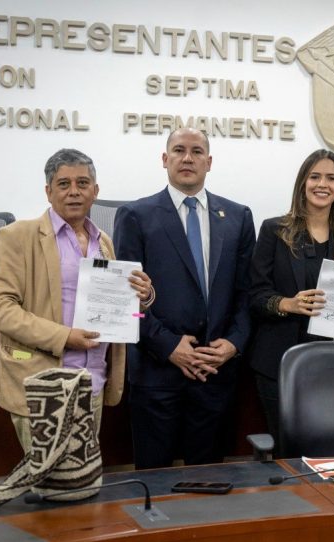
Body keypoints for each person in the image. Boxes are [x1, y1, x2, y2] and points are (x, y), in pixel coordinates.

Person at [0, 148, 153, 452]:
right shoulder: (17, 236)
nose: (74, 192)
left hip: (93, 383)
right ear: (48, 192)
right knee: (53, 488)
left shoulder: (103, 242)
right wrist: (64, 337)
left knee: (81, 485)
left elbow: (120, 310)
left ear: (95, 191)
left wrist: (141, 298)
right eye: (64, 184)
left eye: (82, 183)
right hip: (44, 386)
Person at [114, 128, 256, 468]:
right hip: (156, 371)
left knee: (207, 482)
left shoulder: (238, 217)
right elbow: (123, 300)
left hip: (214, 371)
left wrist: (234, 343)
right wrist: (168, 346)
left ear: (209, 162)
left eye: (196, 151)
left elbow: (247, 292)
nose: (187, 158)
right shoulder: (135, 216)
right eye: (179, 150)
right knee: (153, 482)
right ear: (165, 160)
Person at [248, 149, 334, 442]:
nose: (322, 184)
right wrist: (289, 303)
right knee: (286, 448)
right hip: (279, 362)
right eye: (315, 177)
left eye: (331, 178)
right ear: (303, 183)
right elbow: (254, 295)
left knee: (330, 447)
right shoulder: (275, 230)